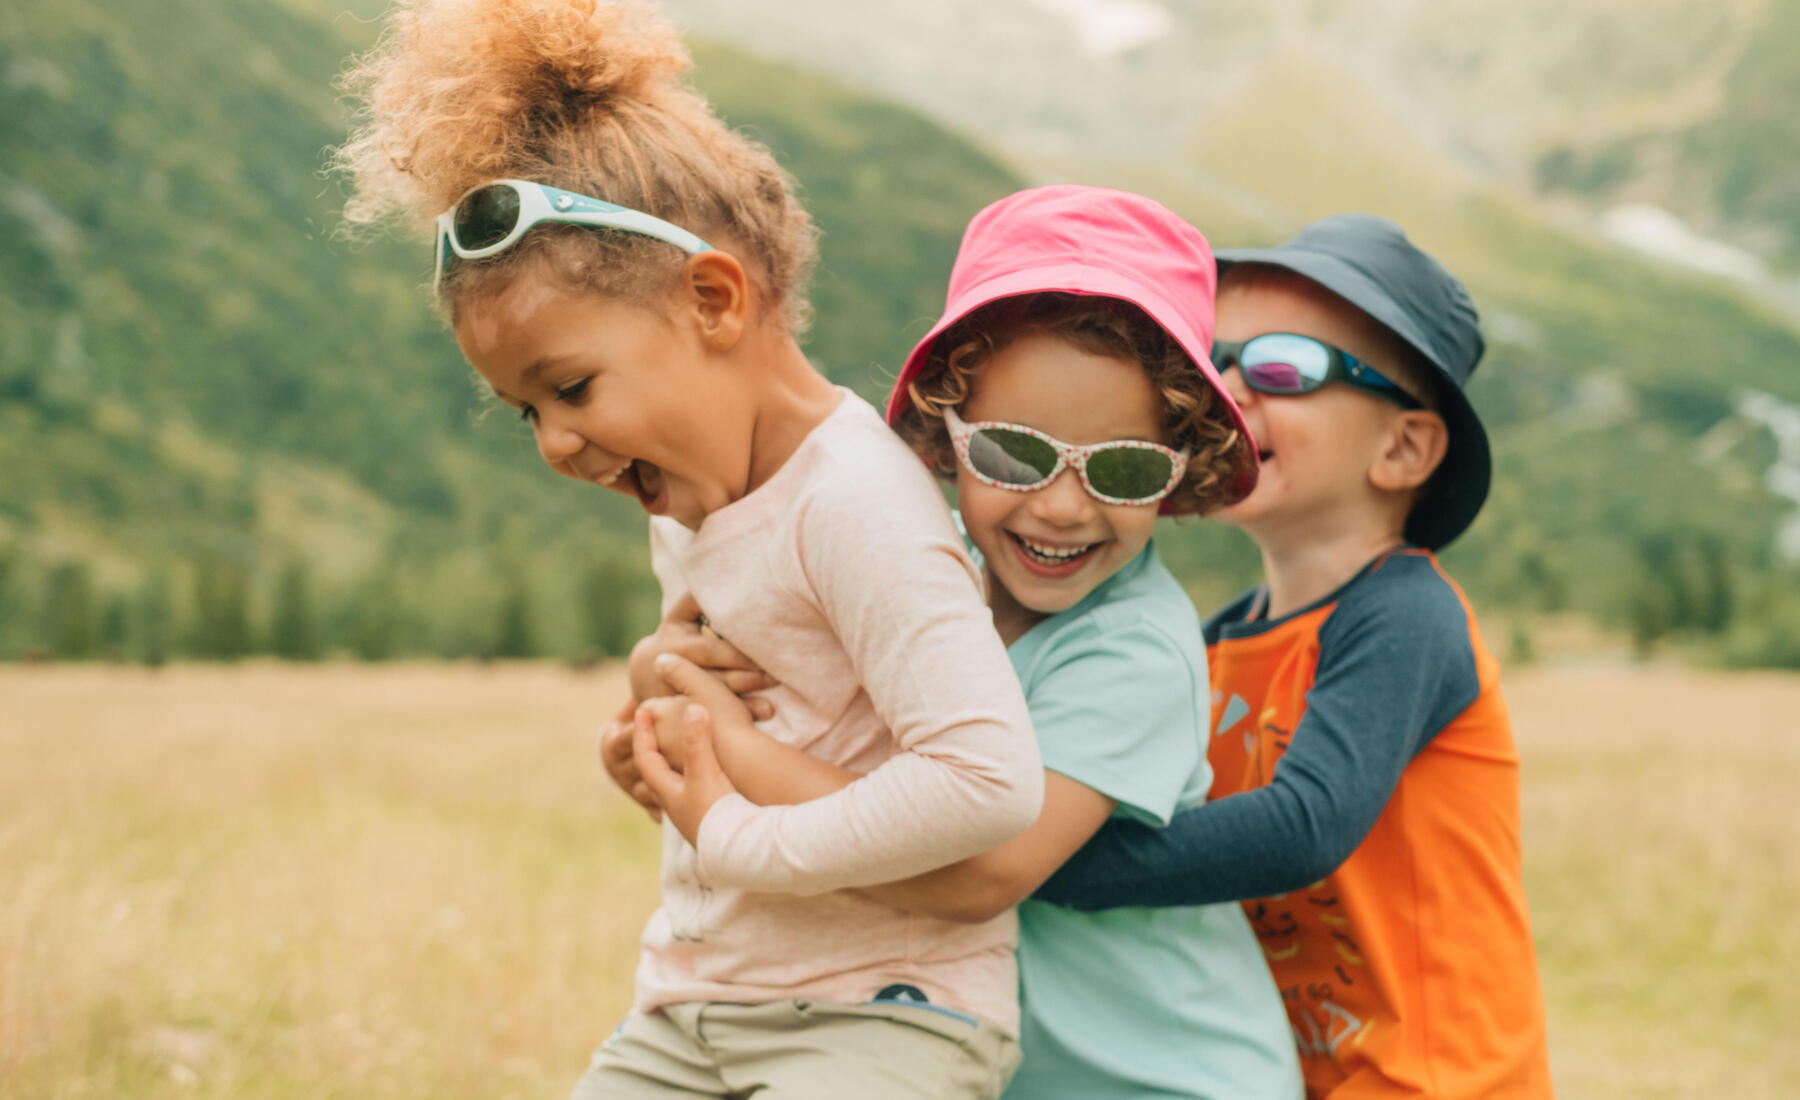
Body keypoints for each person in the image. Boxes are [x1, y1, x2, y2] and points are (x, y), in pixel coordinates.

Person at [333, 2, 1044, 1097]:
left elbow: (985, 781)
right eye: (526, 412)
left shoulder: (857, 500)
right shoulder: (688, 500)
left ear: (714, 299)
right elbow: (763, 702)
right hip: (693, 1003)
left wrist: (735, 833)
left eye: (570, 388)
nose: (557, 442)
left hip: (882, 1010)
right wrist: (653, 733)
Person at [621, 185, 1303, 1098]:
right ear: (946, 435)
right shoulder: (912, 568)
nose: (1062, 506)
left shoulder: (1135, 654)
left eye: (1126, 467)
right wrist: (662, 688)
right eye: (1013, 455)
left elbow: (976, 873)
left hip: (1160, 1082)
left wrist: (721, 754)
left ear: (1181, 469)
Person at [1031, 214, 1556, 1098]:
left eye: (1282, 368)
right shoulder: (1213, 642)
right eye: (1218, 361)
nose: (1230, 390)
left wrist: (1037, 863)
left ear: (1404, 448)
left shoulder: (1404, 615)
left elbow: (1303, 824)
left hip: (1440, 1082)